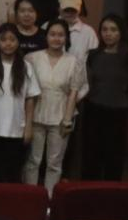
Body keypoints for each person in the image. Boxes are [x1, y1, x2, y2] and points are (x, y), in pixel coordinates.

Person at [24, 20, 86, 194]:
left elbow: (74, 91)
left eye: (60, 35)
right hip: (36, 114)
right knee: (33, 160)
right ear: (46, 36)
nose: (56, 38)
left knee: (54, 163)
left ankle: (50, 200)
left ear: (66, 38)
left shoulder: (74, 61)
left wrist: (67, 119)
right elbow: (26, 90)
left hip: (61, 116)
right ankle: (30, 196)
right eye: (52, 34)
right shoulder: (32, 58)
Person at [0, 23, 41, 183]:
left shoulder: (26, 67)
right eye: (3, 40)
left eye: (12, 39)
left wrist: (28, 127)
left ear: (18, 42)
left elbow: (30, 98)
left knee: (11, 173)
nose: (8, 43)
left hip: (15, 128)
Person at [81, 14, 128, 181]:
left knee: (114, 155)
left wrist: (122, 102)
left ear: (121, 32)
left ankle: (111, 189)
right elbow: (88, 83)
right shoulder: (93, 55)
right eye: (104, 30)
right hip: (94, 109)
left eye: (113, 30)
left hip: (117, 112)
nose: (108, 33)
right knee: (91, 153)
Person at [59, 0, 100, 65]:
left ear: (79, 10)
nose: (69, 13)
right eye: (66, 10)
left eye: (73, 10)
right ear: (59, 9)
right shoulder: (47, 28)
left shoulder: (88, 32)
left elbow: (94, 59)